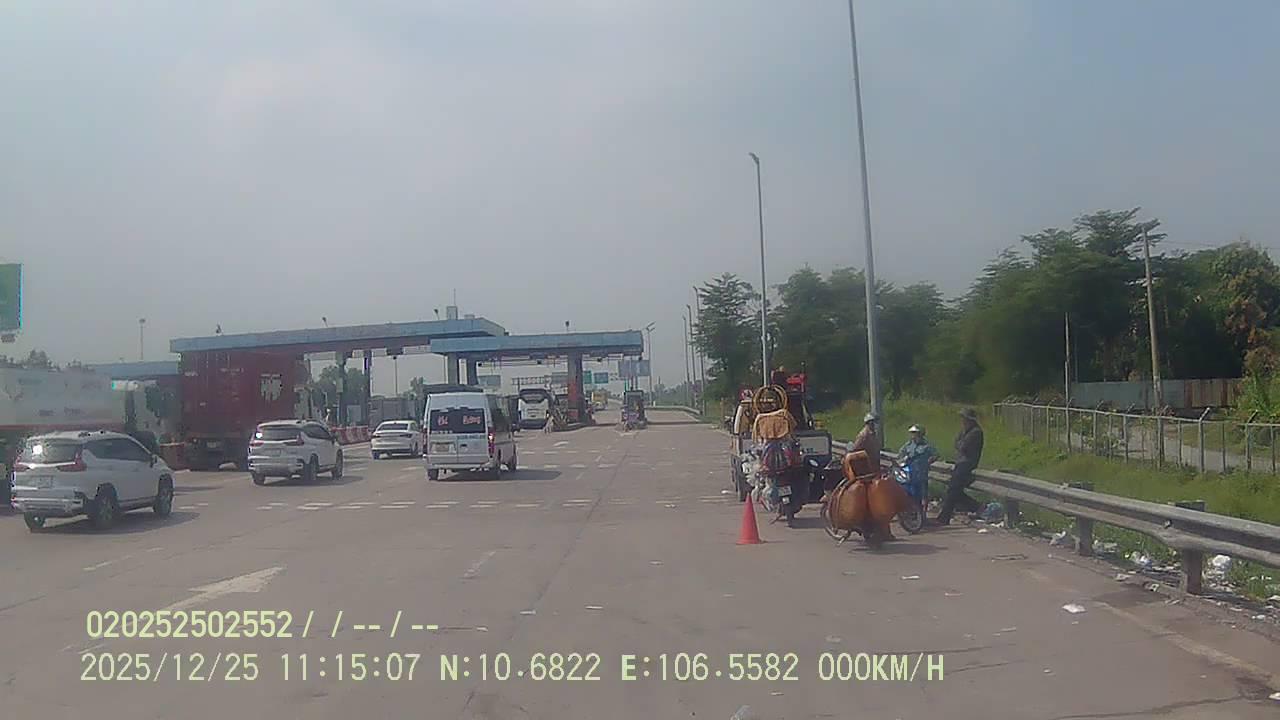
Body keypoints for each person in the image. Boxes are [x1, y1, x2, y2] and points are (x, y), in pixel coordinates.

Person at [936, 408, 985, 525]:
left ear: (970, 420)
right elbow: (956, 442)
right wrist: (960, 443)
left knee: (953, 490)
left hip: (968, 463)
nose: (962, 421)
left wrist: (960, 443)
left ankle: (944, 518)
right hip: (960, 462)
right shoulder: (965, 431)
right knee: (953, 490)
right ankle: (976, 506)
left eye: (964, 418)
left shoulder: (976, 432)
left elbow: (963, 447)